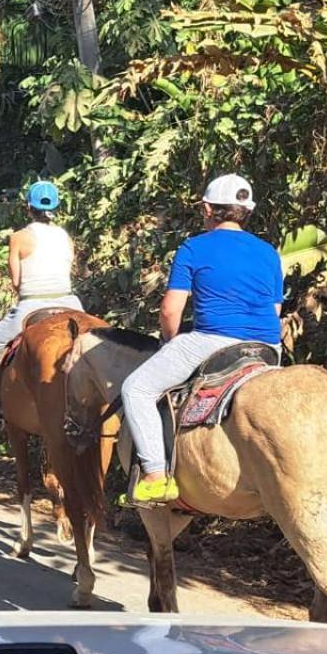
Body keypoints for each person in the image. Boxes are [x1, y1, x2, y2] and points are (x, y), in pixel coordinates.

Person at [121, 173, 284, 506]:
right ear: (245, 212)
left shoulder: (195, 247)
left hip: (212, 339)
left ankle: (155, 476)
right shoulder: (269, 253)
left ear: (209, 209)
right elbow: (275, 309)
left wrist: (170, 342)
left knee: (135, 389)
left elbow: (170, 311)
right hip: (268, 348)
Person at [0, 181, 83, 440]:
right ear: (57, 207)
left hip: (31, 305)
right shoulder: (66, 237)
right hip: (70, 303)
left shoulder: (19, 237)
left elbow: (16, 281)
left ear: (28, 207)